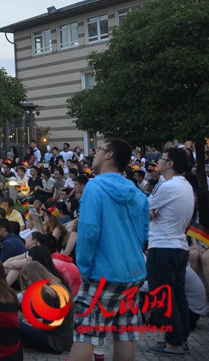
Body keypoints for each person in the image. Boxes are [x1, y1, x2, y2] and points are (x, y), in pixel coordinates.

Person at [70, 138, 148, 361]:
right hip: (133, 272)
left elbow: (88, 231)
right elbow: (144, 234)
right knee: (124, 333)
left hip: (102, 274)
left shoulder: (95, 186)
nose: (94, 153)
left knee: (86, 335)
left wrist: (84, 269)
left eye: (100, 149)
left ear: (109, 155)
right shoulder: (135, 191)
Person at [146, 146, 194, 355]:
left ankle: (173, 342)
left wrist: (150, 211)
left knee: (164, 296)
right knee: (178, 295)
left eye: (162, 158)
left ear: (171, 163)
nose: (159, 161)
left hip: (163, 247)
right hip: (178, 247)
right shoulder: (184, 186)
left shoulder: (168, 186)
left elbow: (144, 207)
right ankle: (181, 338)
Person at [18, 261, 74, 354]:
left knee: (15, 323)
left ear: (34, 277)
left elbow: (50, 328)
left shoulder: (46, 294)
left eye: (27, 281)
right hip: (65, 338)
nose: (27, 285)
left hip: (55, 342)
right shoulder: (57, 286)